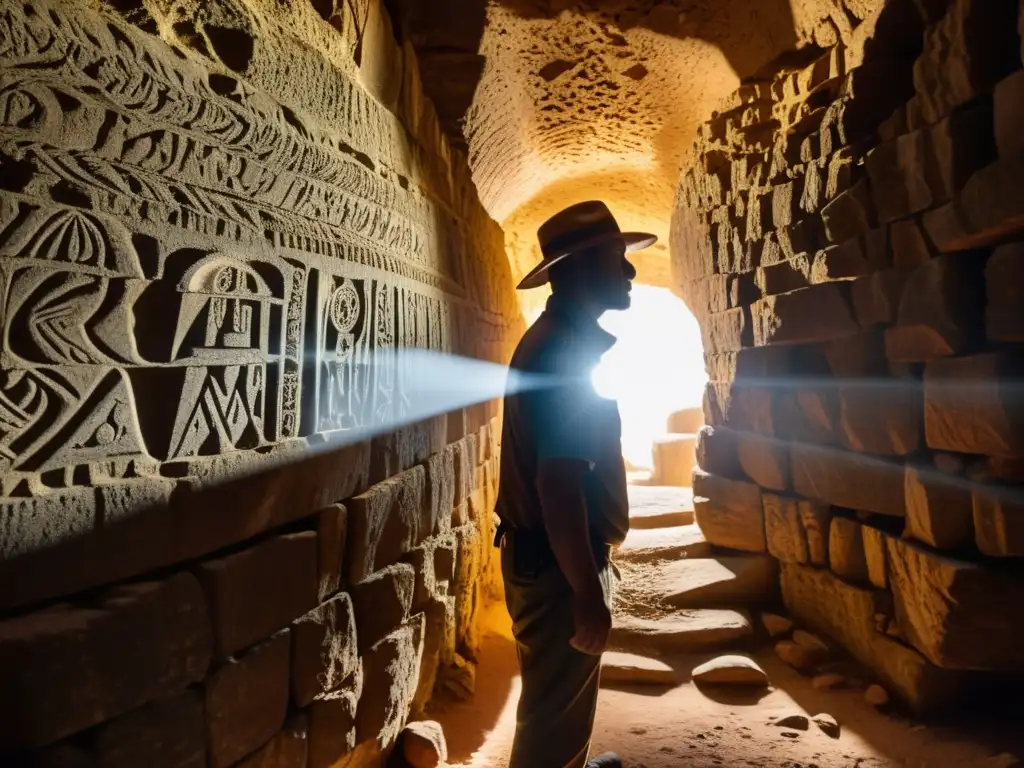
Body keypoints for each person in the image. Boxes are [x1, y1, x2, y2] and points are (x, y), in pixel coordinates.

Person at [494, 201, 656, 768]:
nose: (630, 272)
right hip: (559, 571)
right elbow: (557, 485)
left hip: (549, 562)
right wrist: (587, 594)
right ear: (583, 269)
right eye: (617, 260)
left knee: (559, 710)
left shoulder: (558, 342)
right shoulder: (565, 354)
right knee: (549, 722)